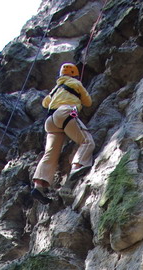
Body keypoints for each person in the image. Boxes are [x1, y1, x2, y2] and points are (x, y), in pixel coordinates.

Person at [31, 62, 94, 205]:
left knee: (51, 153)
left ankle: (39, 185)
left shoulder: (55, 89)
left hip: (50, 120)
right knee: (87, 141)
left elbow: (45, 103)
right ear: (74, 75)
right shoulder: (75, 83)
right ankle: (77, 168)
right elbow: (88, 102)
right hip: (65, 112)